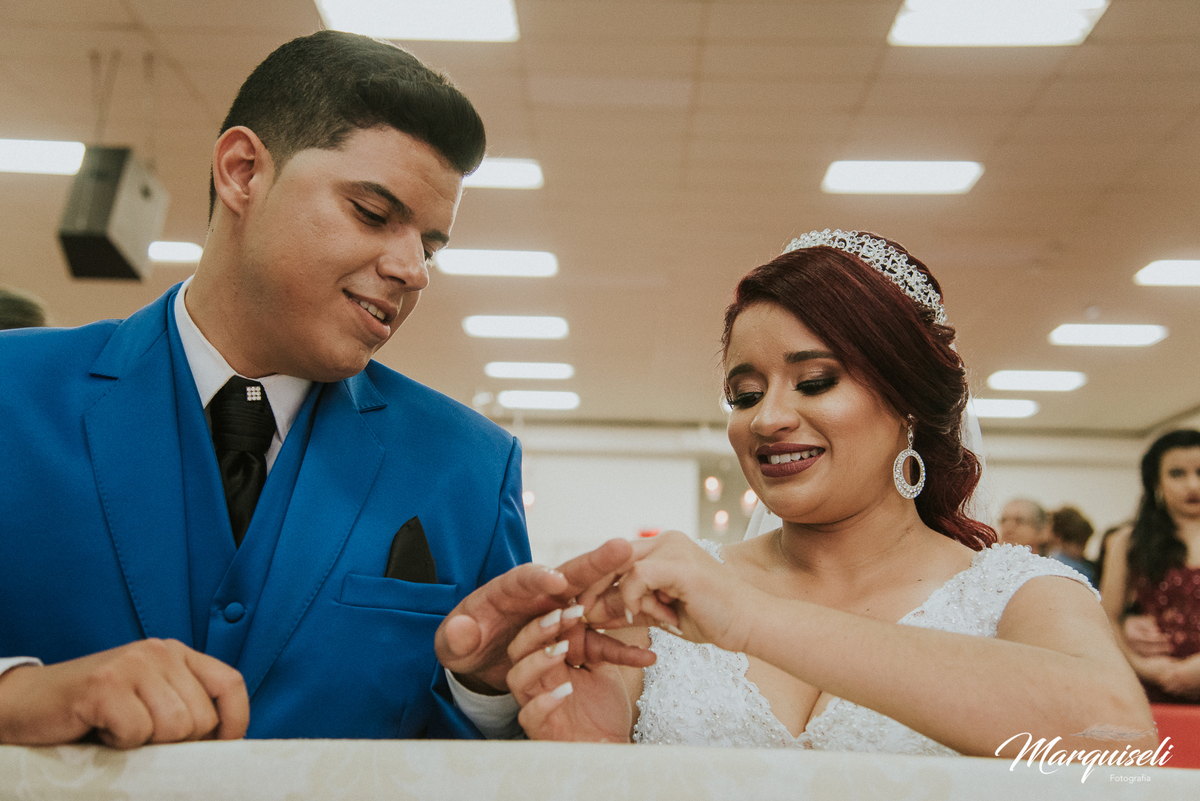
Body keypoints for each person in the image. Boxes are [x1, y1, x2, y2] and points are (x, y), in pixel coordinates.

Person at [0, 30, 643, 748]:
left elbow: (495, 759)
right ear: (242, 172)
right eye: (372, 213)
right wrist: (17, 692)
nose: (413, 270)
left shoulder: (468, 466)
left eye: (429, 246)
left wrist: (488, 692)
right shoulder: (11, 393)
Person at [504, 230, 1154, 756]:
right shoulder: (669, 596)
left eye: (814, 382)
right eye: (744, 394)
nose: (767, 419)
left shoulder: (1019, 592)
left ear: (907, 401)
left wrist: (753, 620)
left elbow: (1118, 737)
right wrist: (595, 753)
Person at [1101, 429, 1200, 703]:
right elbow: (1106, 619)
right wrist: (1144, 667)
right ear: (1156, 481)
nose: (1192, 484)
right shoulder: (1128, 541)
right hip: (1152, 686)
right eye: (1177, 474)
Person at [1048, 506, 1098, 586]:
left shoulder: (1087, 565)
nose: (1083, 549)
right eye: (1079, 544)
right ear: (1060, 538)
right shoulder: (1056, 567)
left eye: (1085, 543)